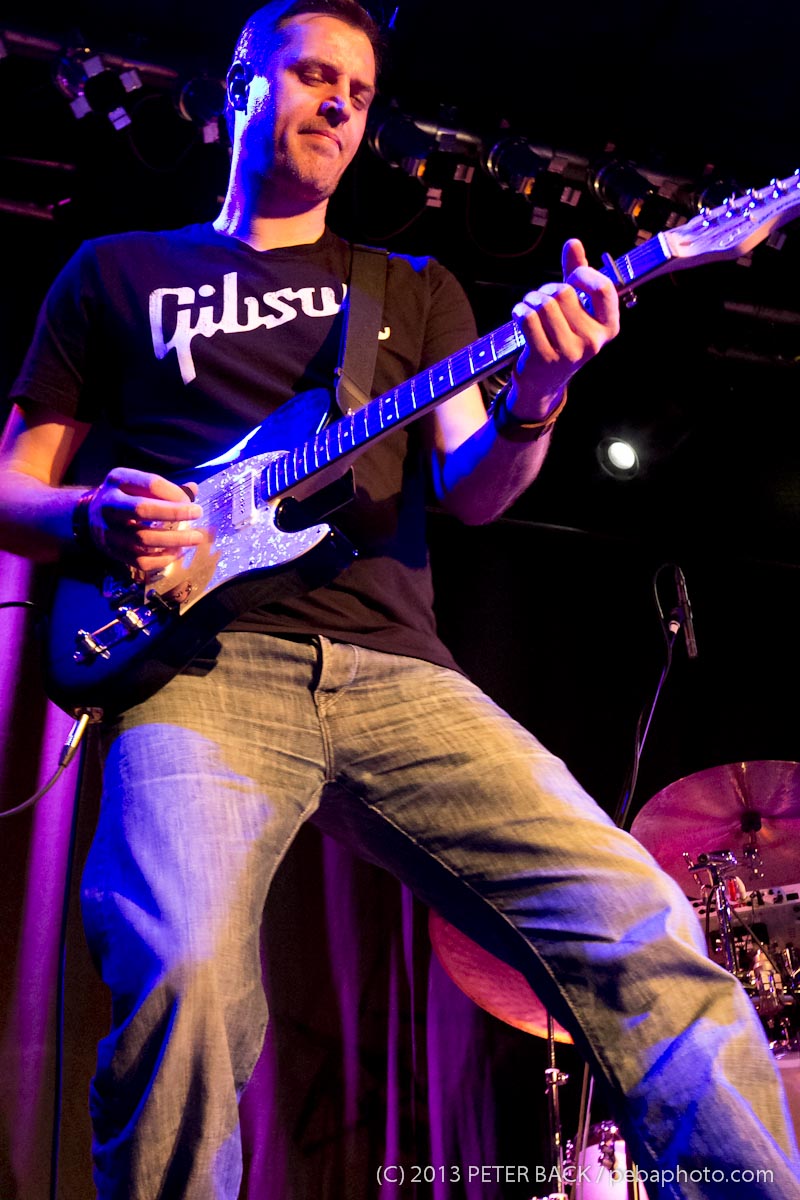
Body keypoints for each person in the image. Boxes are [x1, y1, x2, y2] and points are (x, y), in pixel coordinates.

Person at [0, 1, 798, 1197]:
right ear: (239, 84)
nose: (338, 104)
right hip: (192, 673)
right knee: (178, 974)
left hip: (394, 672)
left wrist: (538, 393)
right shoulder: (116, 272)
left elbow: (476, 490)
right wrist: (90, 516)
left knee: (640, 922)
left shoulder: (409, 290)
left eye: (359, 92)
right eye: (312, 75)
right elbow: (14, 485)